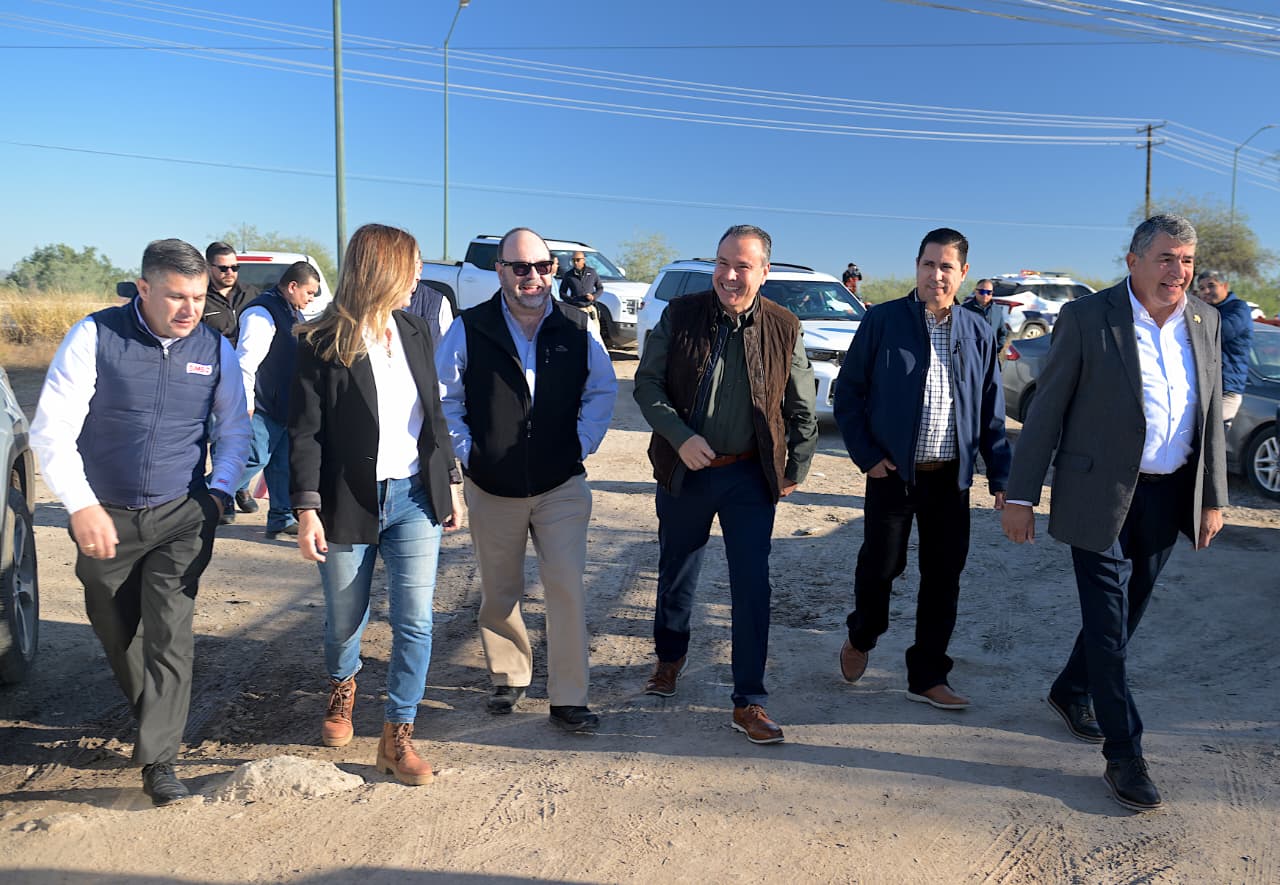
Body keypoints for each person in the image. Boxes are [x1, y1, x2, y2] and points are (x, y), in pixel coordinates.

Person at [1002, 214, 1226, 813]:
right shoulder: (1087, 317)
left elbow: (1208, 415)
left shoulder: (1204, 321)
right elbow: (1047, 410)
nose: (1178, 271)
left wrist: (1213, 497)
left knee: (1127, 616)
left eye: (1186, 260)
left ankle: (1070, 687)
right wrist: (1021, 496)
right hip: (1096, 493)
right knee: (1108, 625)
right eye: (1165, 258)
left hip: (1169, 494)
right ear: (1133, 261)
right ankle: (1124, 753)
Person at [29, 238, 251, 805]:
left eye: (198, 297)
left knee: (170, 632)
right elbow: (52, 429)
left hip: (182, 512)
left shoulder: (215, 349)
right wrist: (81, 505)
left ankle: (160, 761)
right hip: (104, 514)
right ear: (145, 289)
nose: (190, 309)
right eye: (177, 297)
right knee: (117, 628)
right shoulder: (95, 336)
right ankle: (154, 718)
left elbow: (234, 429)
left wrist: (220, 492)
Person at [289, 223, 462, 786]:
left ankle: (397, 734)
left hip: (414, 497)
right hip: (347, 500)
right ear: (383, 271)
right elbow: (306, 434)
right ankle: (343, 685)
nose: (419, 278)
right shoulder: (321, 340)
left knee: (416, 621)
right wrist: (307, 509)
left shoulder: (415, 329)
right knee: (345, 618)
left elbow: (433, 413)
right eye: (412, 267)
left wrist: (449, 482)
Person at [633, 224, 818, 745]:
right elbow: (647, 384)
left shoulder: (784, 326)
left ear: (764, 272)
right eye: (721, 263)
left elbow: (801, 403)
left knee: (752, 585)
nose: (729, 276)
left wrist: (796, 466)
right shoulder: (681, 314)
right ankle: (669, 659)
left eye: (742, 266)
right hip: (686, 469)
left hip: (748, 477)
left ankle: (749, 700)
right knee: (676, 569)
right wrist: (680, 437)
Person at [436, 227, 617, 732]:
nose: (532, 276)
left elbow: (603, 389)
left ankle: (569, 697)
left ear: (554, 270)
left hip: (561, 484)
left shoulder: (577, 325)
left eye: (542, 266)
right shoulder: (470, 327)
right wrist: (471, 454)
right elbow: (444, 398)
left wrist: (582, 442)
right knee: (500, 588)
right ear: (500, 271)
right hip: (493, 485)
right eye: (520, 267)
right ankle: (509, 674)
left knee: (566, 587)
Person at [832, 228, 1010, 712]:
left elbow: (991, 411)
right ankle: (863, 634)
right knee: (881, 567)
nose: (936, 275)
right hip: (892, 474)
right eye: (928, 264)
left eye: (946, 266)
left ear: (963, 272)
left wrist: (1001, 476)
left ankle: (928, 675)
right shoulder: (883, 320)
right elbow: (848, 394)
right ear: (917, 266)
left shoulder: (978, 331)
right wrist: (868, 456)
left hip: (950, 479)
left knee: (943, 577)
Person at [234, 261, 320, 539]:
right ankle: (202, 500)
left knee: (282, 463)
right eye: (309, 292)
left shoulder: (290, 309)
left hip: (283, 405)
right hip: (261, 405)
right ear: (292, 286)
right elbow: (245, 362)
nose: (311, 298)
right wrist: (245, 402)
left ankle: (281, 518)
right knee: (254, 458)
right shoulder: (262, 313)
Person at [1195, 270, 1253, 427]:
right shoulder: (1203, 311)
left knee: (1213, 435)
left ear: (1225, 286)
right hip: (1204, 387)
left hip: (1226, 389)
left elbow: (1220, 333)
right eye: (1201, 288)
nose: (1206, 291)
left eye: (1211, 286)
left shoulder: (1239, 308)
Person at [202, 242, 258, 344]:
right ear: (209, 267)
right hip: (214, 353)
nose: (230, 272)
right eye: (223, 268)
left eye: (234, 268)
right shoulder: (199, 297)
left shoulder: (252, 294)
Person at [558, 251, 604, 341]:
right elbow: (562, 293)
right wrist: (572, 300)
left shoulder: (592, 272)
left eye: (578, 260)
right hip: (576, 309)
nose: (575, 262)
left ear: (584, 260)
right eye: (573, 260)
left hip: (590, 308)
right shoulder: (568, 275)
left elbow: (600, 288)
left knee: (595, 335)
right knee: (577, 335)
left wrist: (593, 296)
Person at [963, 278, 1010, 352]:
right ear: (975, 291)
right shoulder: (964, 309)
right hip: (971, 354)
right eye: (982, 291)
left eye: (988, 292)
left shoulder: (997, 310)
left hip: (991, 354)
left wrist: (997, 348)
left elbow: (1002, 332)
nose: (985, 295)